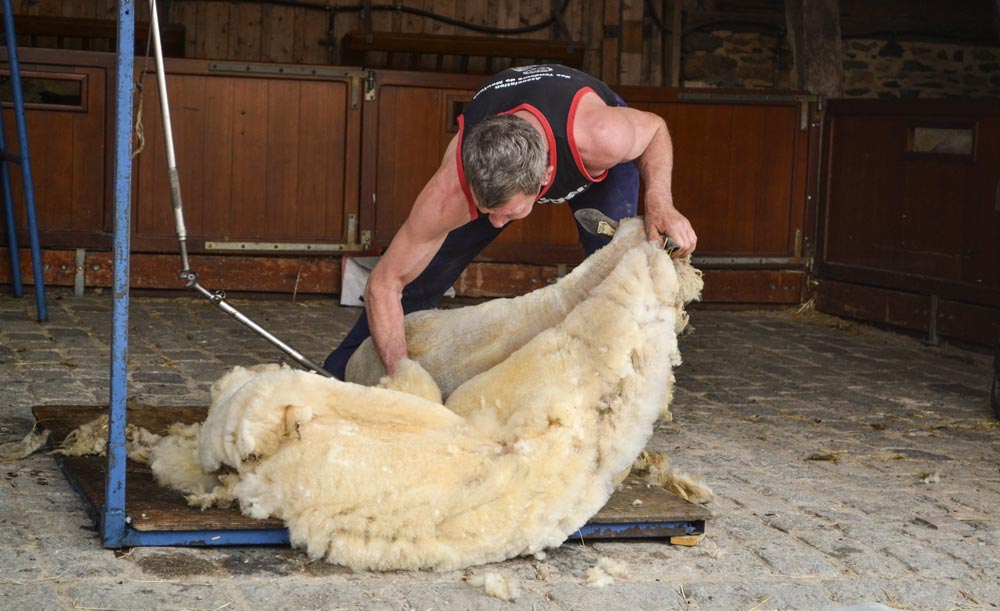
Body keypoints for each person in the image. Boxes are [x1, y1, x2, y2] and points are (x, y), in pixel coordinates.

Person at [323, 64, 697, 380]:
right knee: (425, 272)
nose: (500, 225)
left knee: (617, 269)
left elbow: (655, 131)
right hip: (502, 165)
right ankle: (342, 370)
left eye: (511, 212)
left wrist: (661, 203)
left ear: (545, 177)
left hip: (583, 147)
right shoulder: (451, 189)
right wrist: (401, 376)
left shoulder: (601, 137)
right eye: (490, 212)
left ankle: (618, 383)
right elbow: (385, 283)